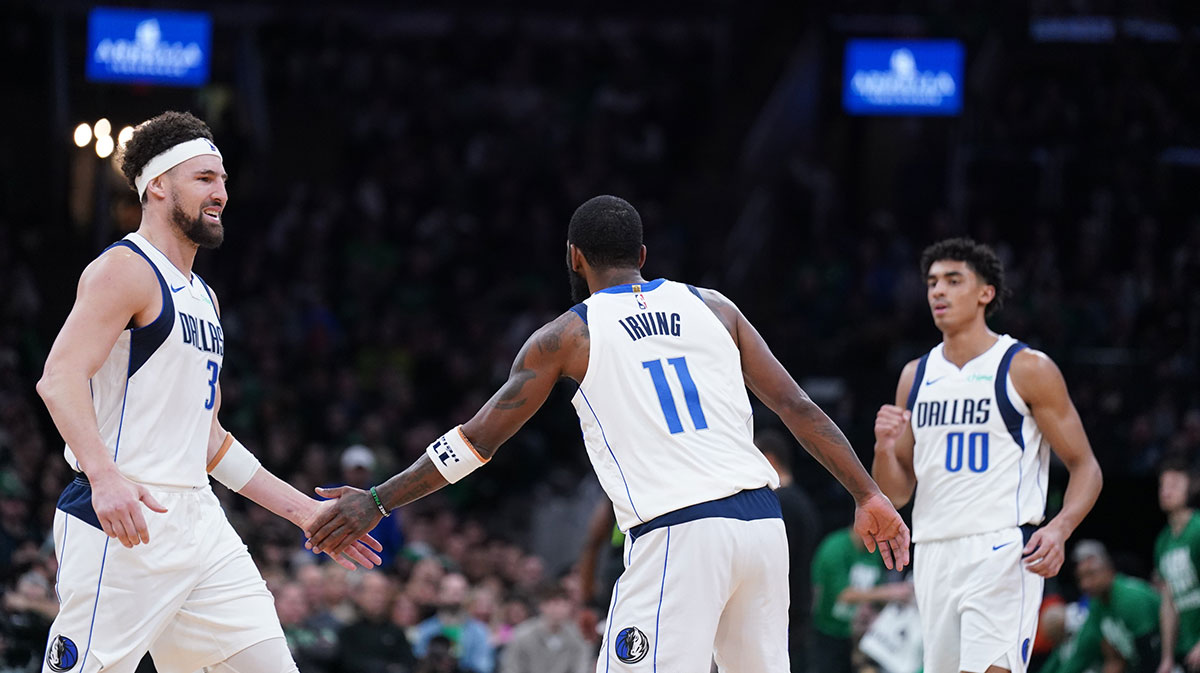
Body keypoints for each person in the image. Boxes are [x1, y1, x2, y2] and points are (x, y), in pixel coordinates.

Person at [307, 194, 910, 671]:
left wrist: (380, 498)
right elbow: (799, 407)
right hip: (760, 525)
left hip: (681, 531)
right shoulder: (716, 307)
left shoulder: (567, 336)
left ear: (573, 256)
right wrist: (868, 494)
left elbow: (475, 442)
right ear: (643, 254)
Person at [34, 111, 381, 673]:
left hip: (199, 522)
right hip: (126, 520)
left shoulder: (204, 297)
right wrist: (104, 477)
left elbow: (210, 440)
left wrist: (305, 514)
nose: (220, 193)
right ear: (157, 186)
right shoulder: (125, 269)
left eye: (222, 180)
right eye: (203, 179)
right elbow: (59, 378)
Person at [872, 238, 1104, 673]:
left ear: (985, 293)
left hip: (1000, 547)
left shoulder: (1026, 367)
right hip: (934, 550)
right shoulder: (915, 376)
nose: (938, 291)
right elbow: (896, 492)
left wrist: (1059, 529)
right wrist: (884, 447)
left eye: (953, 280)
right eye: (932, 282)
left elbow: (1085, 466)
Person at [757, 428, 822, 673]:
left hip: (782, 613)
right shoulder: (804, 501)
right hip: (802, 606)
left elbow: (774, 565)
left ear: (770, 459)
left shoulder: (779, 503)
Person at [1044, 541, 1161, 673]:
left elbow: (1149, 652)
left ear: (1108, 569)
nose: (1085, 584)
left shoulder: (1130, 598)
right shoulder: (1097, 605)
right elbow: (1082, 652)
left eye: (1091, 574)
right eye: (1080, 578)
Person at [1155, 459, 1200, 672]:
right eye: (1163, 485)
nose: (1165, 491)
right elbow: (1168, 601)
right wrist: (1167, 657)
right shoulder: (1163, 542)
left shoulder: (1198, 529)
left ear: (1191, 487)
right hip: (1187, 646)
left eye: (1174, 484)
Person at [410, 573, 494, 673]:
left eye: (461, 590)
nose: (455, 593)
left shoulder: (480, 632)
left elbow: (484, 667)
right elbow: (418, 662)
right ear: (439, 594)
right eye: (449, 589)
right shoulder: (425, 630)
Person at [498, 585, 592, 673]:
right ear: (542, 605)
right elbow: (511, 668)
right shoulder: (522, 635)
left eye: (564, 604)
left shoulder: (578, 637)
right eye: (555, 603)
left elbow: (582, 667)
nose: (560, 609)